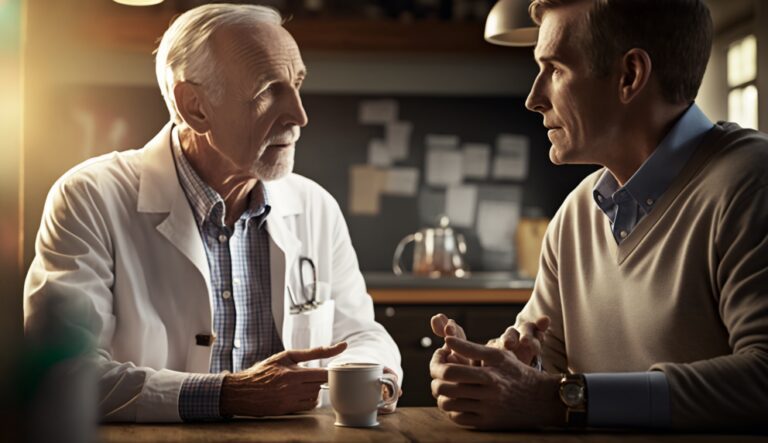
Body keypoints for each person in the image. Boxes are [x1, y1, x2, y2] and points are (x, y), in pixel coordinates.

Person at [23, 4, 402, 423]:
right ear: (194, 106)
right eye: (268, 91)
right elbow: (65, 375)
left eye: (296, 85)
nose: (299, 115)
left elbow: (358, 333)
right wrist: (229, 395)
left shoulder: (316, 206)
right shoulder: (89, 198)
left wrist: (378, 381)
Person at [429, 0, 768, 431]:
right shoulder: (574, 215)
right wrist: (491, 369)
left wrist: (559, 399)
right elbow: (540, 369)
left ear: (630, 76)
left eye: (554, 70)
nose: (533, 98)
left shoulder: (752, 182)